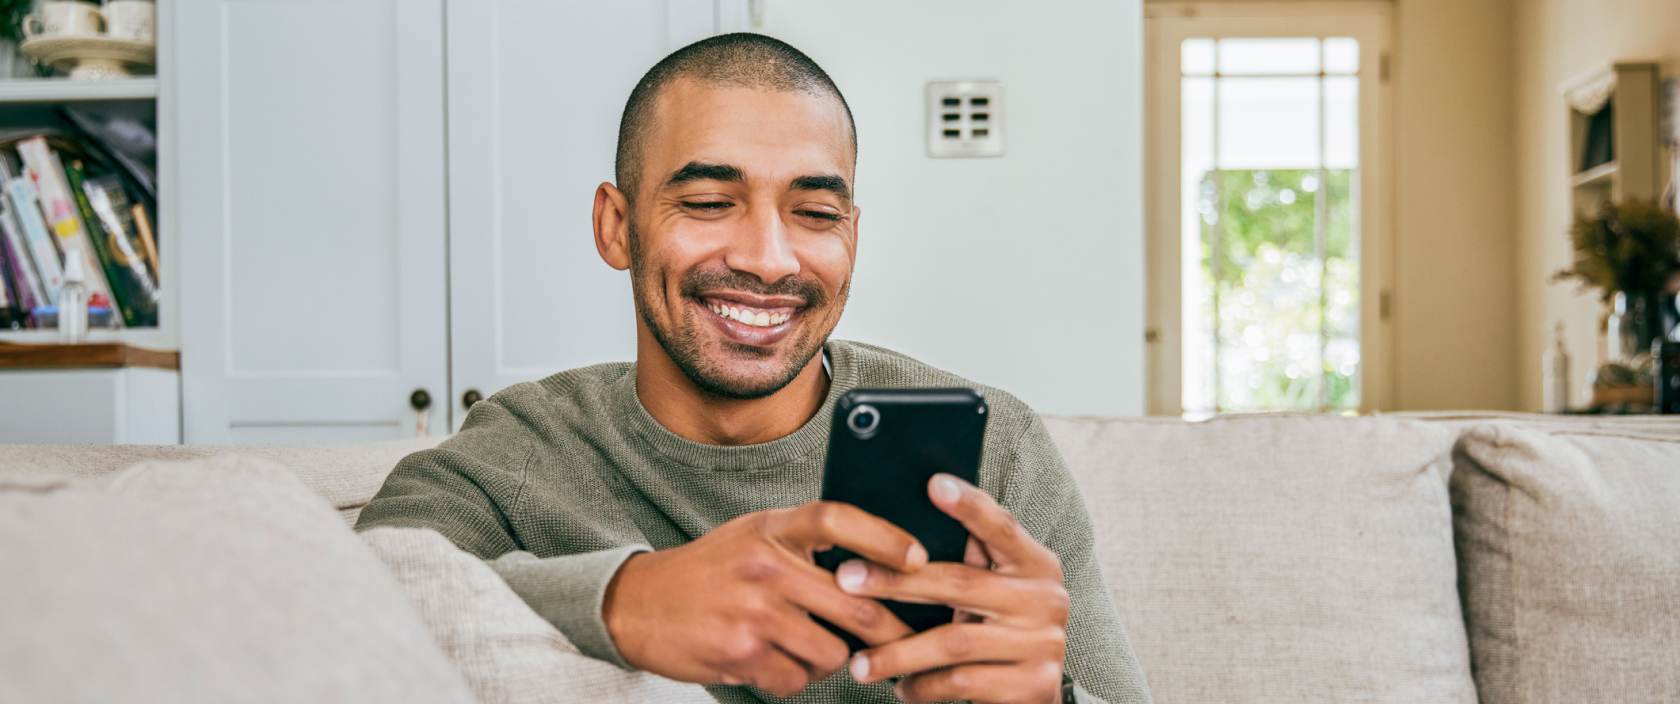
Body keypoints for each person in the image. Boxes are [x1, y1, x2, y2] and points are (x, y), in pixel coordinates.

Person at [357, 32, 1151, 704]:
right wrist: (626, 602)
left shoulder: (994, 450)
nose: (769, 260)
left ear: (853, 236)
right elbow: (346, 601)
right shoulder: (525, 450)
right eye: (707, 203)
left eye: (815, 214)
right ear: (617, 227)